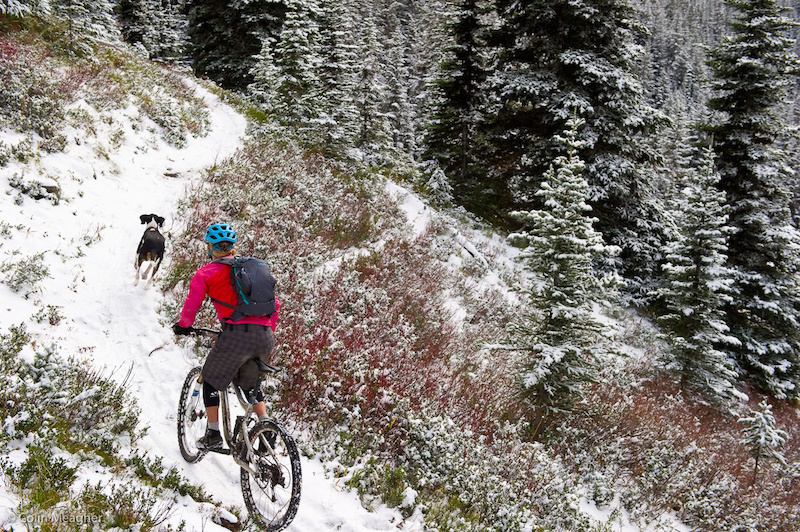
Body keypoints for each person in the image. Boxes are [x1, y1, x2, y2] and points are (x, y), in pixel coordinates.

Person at [172, 223, 279, 450]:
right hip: (265, 336)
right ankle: (266, 425)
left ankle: (212, 434)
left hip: (236, 336)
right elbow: (274, 304)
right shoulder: (250, 269)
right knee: (250, 385)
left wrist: (183, 326)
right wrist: (265, 331)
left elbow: (191, 307)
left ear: (210, 247)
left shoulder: (207, 273)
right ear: (232, 247)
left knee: (210, 380)